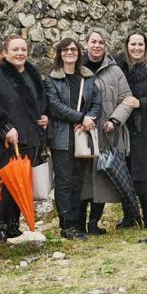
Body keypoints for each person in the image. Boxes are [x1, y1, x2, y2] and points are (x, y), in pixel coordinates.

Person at [0, 35, 48, 243]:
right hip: (8, 139)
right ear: (5, 53)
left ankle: (14, 228)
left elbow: (40, 102)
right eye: (15, 50)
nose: (20, 53)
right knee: (9, 185)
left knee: (23, 183)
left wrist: (45, 117)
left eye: (23, 49)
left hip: (30, 136)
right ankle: (2, 231)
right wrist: (6, 129)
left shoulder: (32, 74)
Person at [44, 38, 102, 240]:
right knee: (65, 182)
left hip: (82, 136)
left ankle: (77, 224)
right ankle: (67, 226)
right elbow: (54, 106)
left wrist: (89, 120)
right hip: (61, 137)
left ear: (78, 53)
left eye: (73, 49)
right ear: (59, 53)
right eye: (65, 49)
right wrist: (80, 118)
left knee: (78, 181)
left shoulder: (87, 77)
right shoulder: (51, 79)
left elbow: (96, 103)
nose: (69, 52)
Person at [81, 28, 136, 232]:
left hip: (108, 132)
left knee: (103, 177)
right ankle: (77, 223)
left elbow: (127, 100)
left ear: (106, 46)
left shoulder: (115, 71)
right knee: (84, 179)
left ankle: (93, 223)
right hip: (82, 133)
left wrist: (115, 119)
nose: (97, 46)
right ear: (86, 44)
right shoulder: (76, 68)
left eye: (101, 42)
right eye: (93, 41)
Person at [118, 32, 147, 229]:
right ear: (127, 46)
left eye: (140, 44)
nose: (137, 48)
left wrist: (140, 103)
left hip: (146, 127)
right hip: (124, 126)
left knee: (145, 175)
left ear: (146, 46)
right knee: (125, 173)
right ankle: (130, 216)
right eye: (133, 44)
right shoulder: (119, 67)